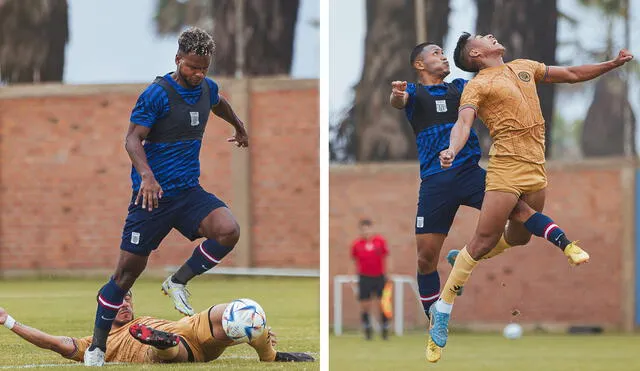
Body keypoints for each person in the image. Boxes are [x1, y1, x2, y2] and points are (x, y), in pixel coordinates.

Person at [429, 31, 634, 360]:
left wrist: (611, 64)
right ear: (476, 55)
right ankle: (443, 307)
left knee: (521, 237)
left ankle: (462, 259)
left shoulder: (524, 66)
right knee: (483, 241)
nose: (491, 35)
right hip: (505, 168)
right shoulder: (478, 84)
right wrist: (452, 149)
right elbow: (463, 123)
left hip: (536, 167)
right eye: (483, 37)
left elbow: (569, 74)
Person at [389, 41, 576, 363]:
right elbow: (398, 101)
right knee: (425, 259)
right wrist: (395, 94)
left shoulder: (465, 87)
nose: (443, 56)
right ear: (419, 65)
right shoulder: (413, 95)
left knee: (519, 212)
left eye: (444, 52)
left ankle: (566, 243)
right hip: (434, 183)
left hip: (473, 174)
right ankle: (434, 318)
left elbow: (489, 90)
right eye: (435, 54)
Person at [85, 27, 250, 366]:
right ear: (178, 60)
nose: (198, 73)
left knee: (228, 229)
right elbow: (132, 139)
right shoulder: (156, 94)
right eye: (192, 66)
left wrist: (239, 126)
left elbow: (219, 103)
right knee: (124, 276)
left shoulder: (206, 87)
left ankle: (178, 280)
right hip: (152, 199)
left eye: (204, 67)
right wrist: (146, 176)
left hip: (189, 193)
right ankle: (97, 347)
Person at [0, 292, 314, 364]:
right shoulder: (94, 344)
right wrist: (9, 322)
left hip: (188, 327)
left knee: (244, 313)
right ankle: (161, 342)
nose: (124, 303)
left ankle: (270, 355)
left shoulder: (142, 317)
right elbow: (55, 343)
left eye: (127, 298)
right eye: (116, 301)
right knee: (164, 350)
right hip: (181, 351)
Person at [350, 219, 390, 340]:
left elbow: (387, 257)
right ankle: (367, 331)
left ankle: (385, 330)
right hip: (364, 277)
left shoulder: (380, 241)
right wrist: (351, 276)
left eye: (367, 228)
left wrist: (389, 274)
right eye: (363, 229)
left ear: (371, 229)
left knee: (382, 304)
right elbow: (353, 261)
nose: (366, 231)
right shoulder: (356, 244)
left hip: (379, 277)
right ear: (360, 230)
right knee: (365, 305)